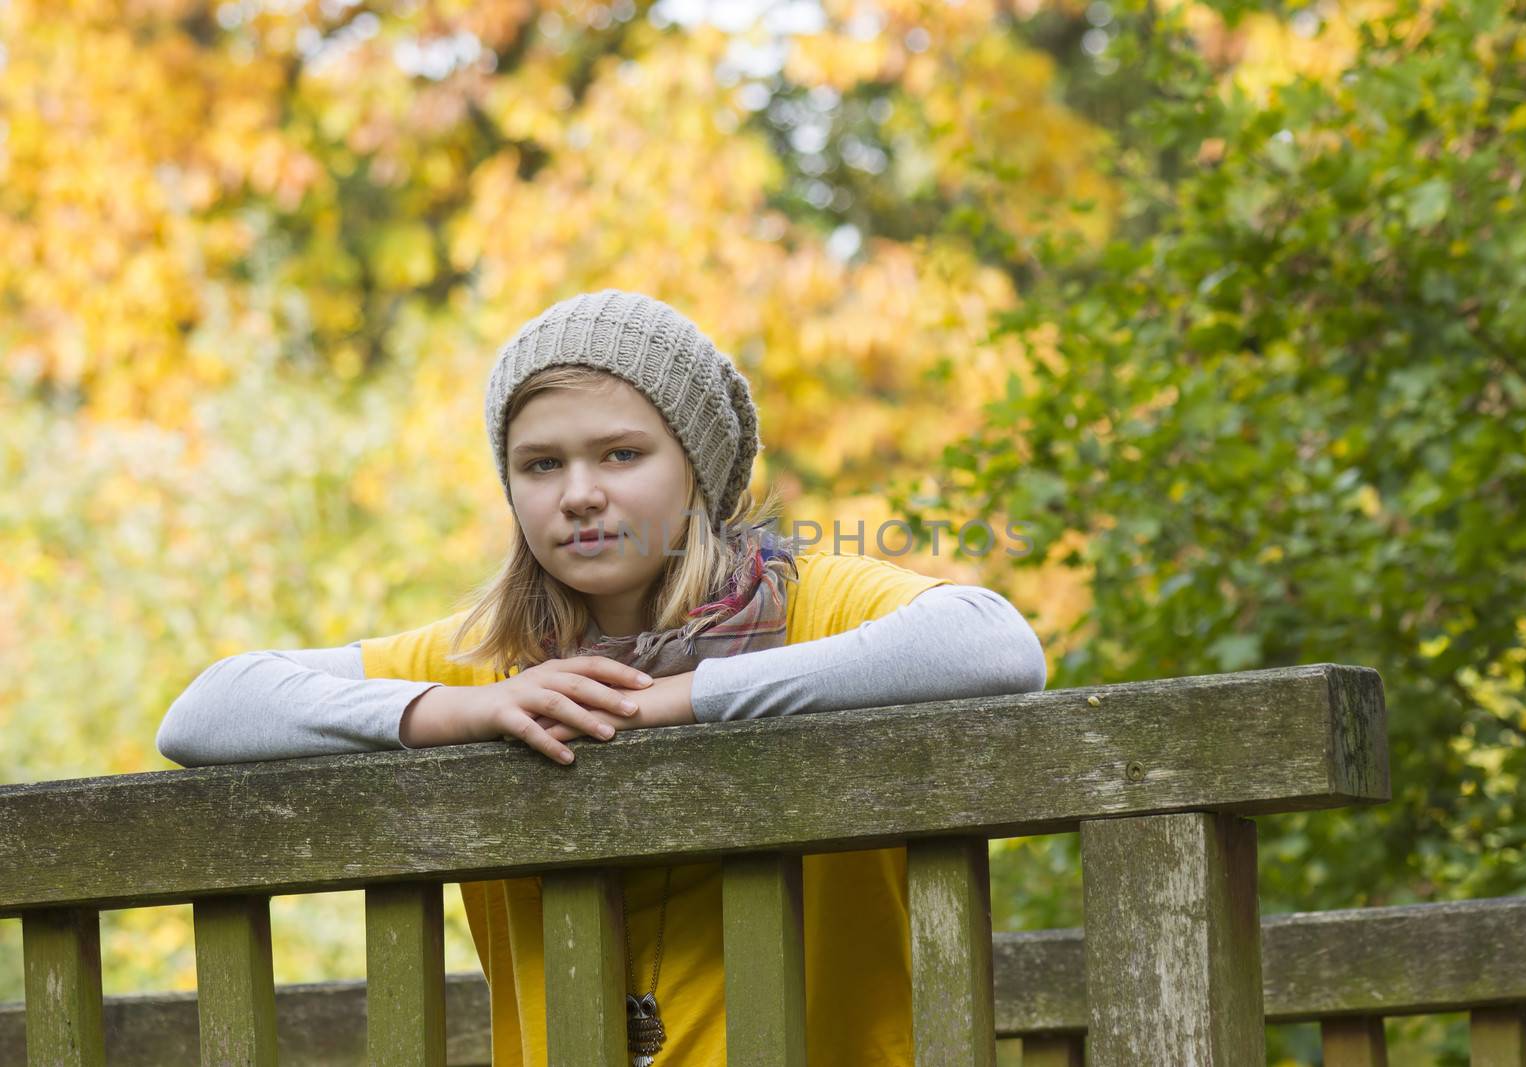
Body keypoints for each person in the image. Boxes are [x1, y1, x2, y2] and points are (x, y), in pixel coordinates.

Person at [158, 288, 1048, 1066]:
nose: (578, 492)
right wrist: (456, 709)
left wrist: (681, 700)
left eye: (621, 454)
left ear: (697, 470)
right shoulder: (492, 660)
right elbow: (205, 711)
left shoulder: (806, 600)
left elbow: (992, 642)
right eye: (541, 465)